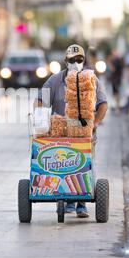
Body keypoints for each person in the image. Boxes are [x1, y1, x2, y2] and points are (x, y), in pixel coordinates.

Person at [35, 44, 108, 218]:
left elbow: (103, 104)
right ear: (65, 61)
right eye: (71, 60)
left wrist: (95, 123)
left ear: (84, 60)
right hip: (60, 133)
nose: (75, 63)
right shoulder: (55, 80)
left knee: (83, 165)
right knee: (65, 164)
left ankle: (81, 204)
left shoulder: (91, 79)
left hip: (84, 133)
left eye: (79, 60)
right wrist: (41, 119)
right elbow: (40, 100)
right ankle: (67, 200)